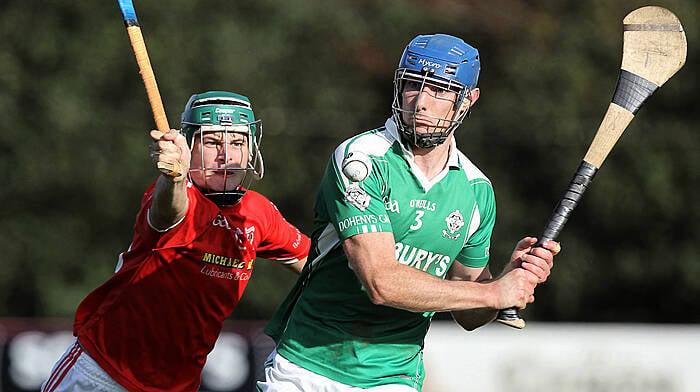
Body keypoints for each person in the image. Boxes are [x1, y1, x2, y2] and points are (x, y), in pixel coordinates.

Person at [257, 34, 560, 392]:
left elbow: (469, 313)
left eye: (440, 90)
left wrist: (507, 281)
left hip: (393, 379)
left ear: (467, 101)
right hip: (308, 369)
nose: (421, 103)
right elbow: (380, 283)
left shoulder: (477, 191)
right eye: (413, 85)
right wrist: (493, 295)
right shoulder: (361, 159)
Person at [42, 91, 310, 392]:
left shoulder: (257, 213)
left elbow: (319, 267)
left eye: (237, 142)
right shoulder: (175, 197)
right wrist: (173, 179)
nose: (227, 155)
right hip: (103, 374)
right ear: (189, 147)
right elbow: (171, 210)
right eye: (212, 142)